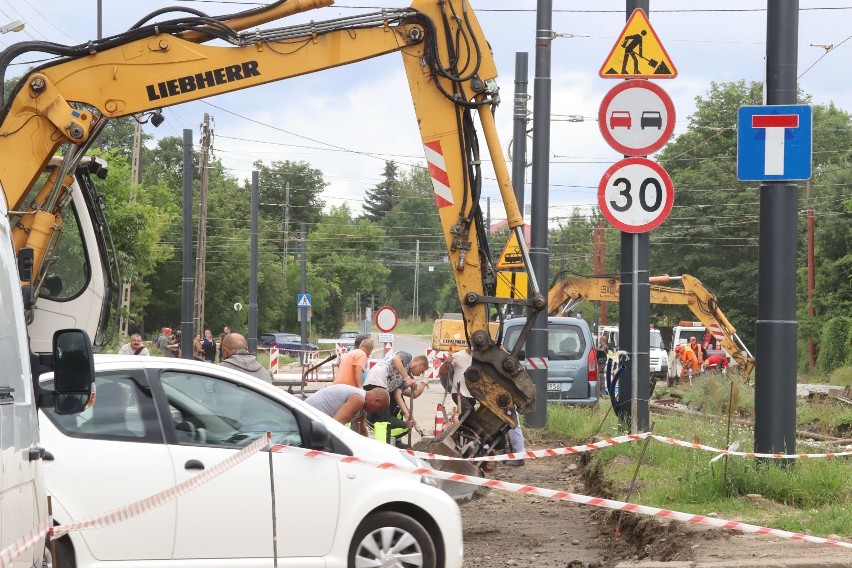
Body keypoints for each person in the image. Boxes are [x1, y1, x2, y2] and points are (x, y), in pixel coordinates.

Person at [305, 384, 389, 437]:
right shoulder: (358, 399)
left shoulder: (362, 409)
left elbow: (361, 430)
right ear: (376, 400)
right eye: (380, 408)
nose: (378, 412)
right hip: (306, 415)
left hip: (314, 421)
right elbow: (335, 425)